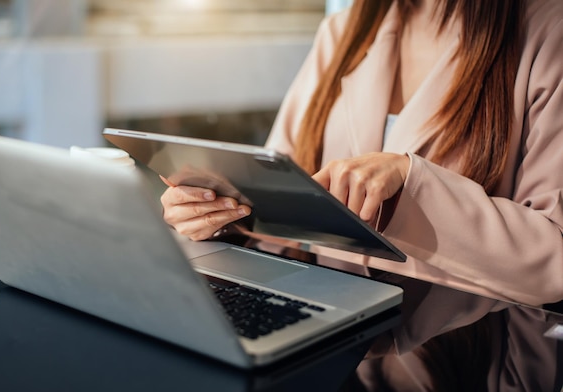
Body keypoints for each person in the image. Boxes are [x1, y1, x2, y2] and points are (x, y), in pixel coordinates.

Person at [160, 0, 563, 306]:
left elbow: (554, 261)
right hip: (340, 333)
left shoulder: (548, 31)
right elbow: (276, 194)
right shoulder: (342, 32)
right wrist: (220, 216)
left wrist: (410, 182)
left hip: (474, 350)